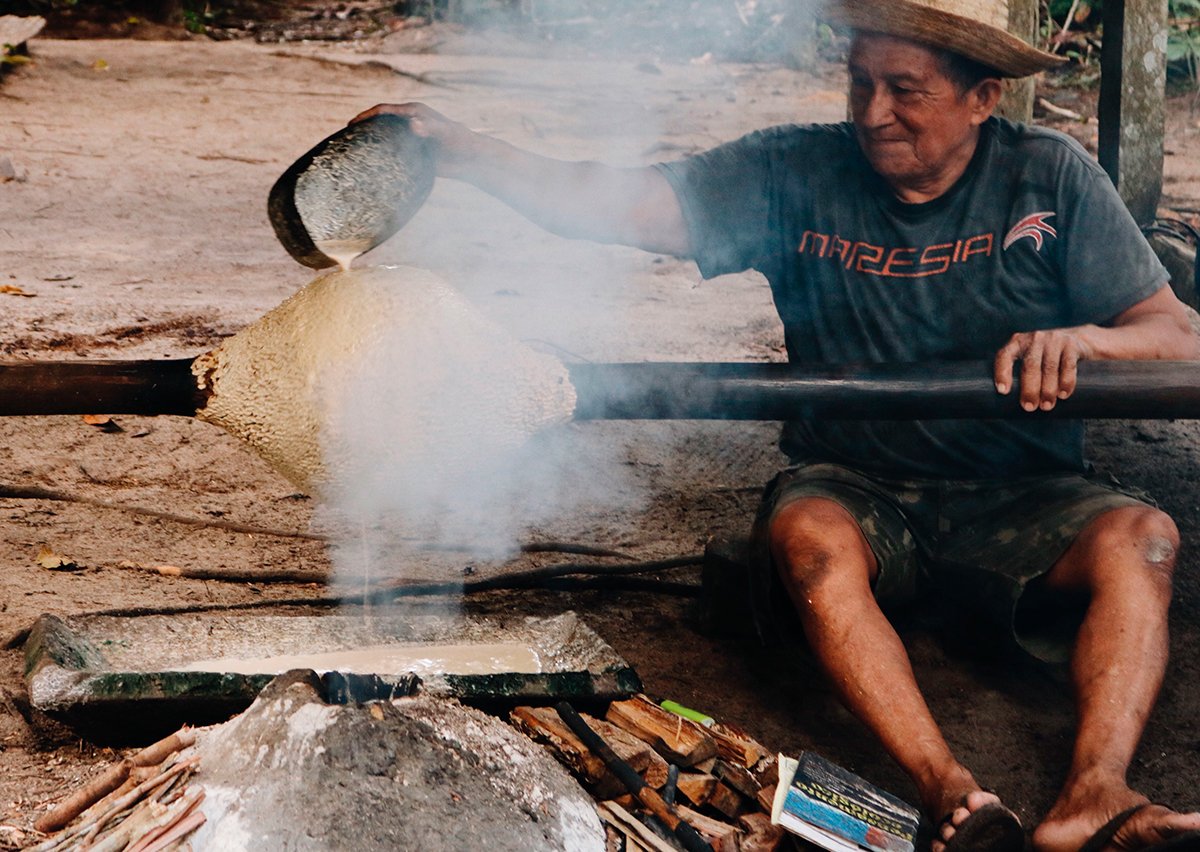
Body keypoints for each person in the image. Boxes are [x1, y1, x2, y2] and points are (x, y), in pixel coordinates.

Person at [352, 0, 1200, 848]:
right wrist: (467, 152)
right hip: (856, 483)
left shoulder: (1048, 176)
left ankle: (1097, 792)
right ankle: (946, 791)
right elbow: (622, 205)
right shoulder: (793, 167)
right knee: (808, 540)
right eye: (858, 82)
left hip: (1025, 491)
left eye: (905, 89)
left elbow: (1175, 334)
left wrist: (1089, 341)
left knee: (1145, 537)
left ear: (983, 98)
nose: (872, 113)